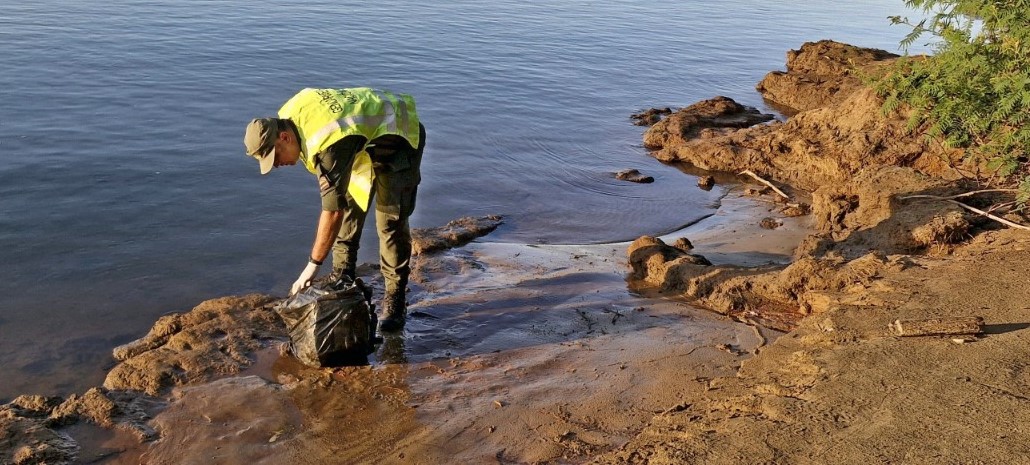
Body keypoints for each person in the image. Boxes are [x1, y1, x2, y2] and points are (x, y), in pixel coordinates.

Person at [243, 87, 426, 332]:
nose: (276, 165)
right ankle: (343, 278)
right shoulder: (290, 115)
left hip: (399, 140)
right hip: (362, 145)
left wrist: (312, 266)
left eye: (275, 157)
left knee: (389, 223)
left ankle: (395, 300)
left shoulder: (328, 144)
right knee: (350, 209)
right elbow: (339, 207)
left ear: (284, 137)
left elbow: (331, 213)